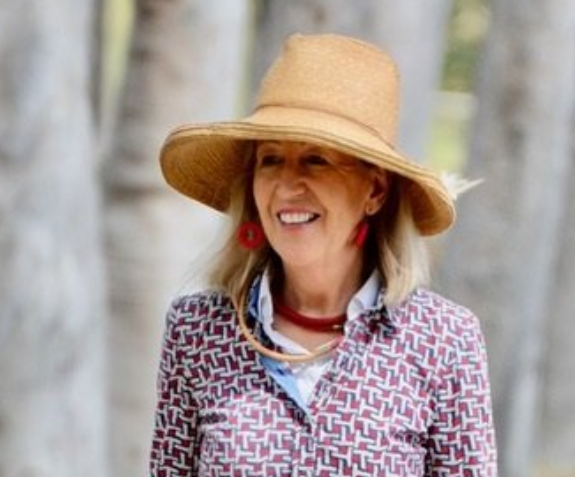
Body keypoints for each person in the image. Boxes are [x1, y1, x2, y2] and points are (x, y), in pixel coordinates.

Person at [149, 33, 497, 476]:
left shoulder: (443, 340)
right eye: (270, 160)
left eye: (316, 160)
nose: (287, 186)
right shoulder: (197, 331)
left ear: (374, 189)